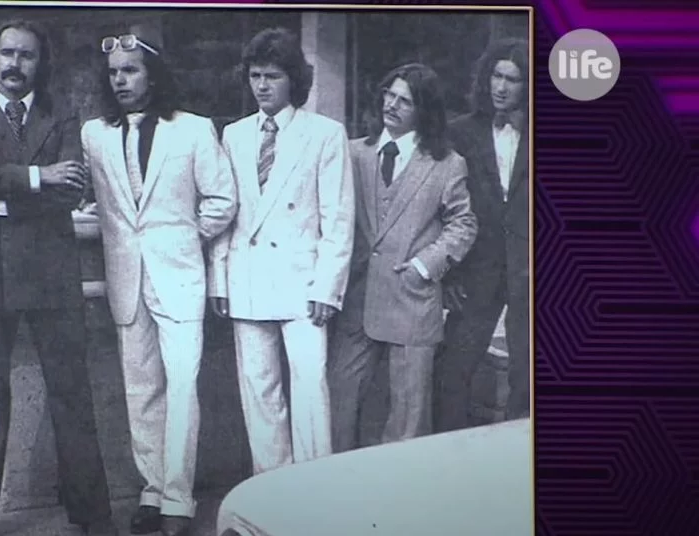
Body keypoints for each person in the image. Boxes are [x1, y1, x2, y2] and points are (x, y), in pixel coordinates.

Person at [0, 20, 117, 536]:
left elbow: (72, 190)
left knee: (73, 399)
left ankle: (93, 517)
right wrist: (37, 177)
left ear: (41, 64)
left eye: (27, 56)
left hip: (52, 276)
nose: (15, 65)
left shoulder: (62, 115)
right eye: (8, 54)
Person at [80, 31, 237, 536]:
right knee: (140, 388)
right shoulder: (94, 134)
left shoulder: (193, 129)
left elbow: (222, 200)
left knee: (183, 385)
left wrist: (187, 236)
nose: (120, 80)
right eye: (113, 73)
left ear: (153, 75)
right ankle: (151, 490)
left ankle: (178, 497)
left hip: (179, 277)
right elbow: (98, 202)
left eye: (130, 70)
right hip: (126, 279)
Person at [208, 27, 355, 475]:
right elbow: (227, 212)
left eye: (272, 76)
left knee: (310, 389)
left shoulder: (324, 134)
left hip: (304, 284)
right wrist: (220, 279)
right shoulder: (234, 135)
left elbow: (338, 217)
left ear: (294, 79)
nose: (262, 85)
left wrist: (328, 288)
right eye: (255, 76)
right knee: (259, 391)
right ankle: (271, 486)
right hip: (248, 279)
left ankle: (315, 485)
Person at [328, 63, 478, 451]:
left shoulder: (447, 164)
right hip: (358, 298)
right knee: (340, 400)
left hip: (412, 300)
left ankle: (400, 485)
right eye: (388, 95)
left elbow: (464, 224)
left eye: (404, 101)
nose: (391, 105)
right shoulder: (352, 153)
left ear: (424, 111)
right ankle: (338, 478)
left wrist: (425, 266)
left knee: (409, 417)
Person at [434, 38, 531, 431]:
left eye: (513, 79)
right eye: (496, 75)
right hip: (475, 270)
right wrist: (450, 274)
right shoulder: (461, 132)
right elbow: (441, 210)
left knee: (526, 375)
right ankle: (446, 454)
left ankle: (522, 455)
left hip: (528, 271)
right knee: (454, 369)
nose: (501, 87)